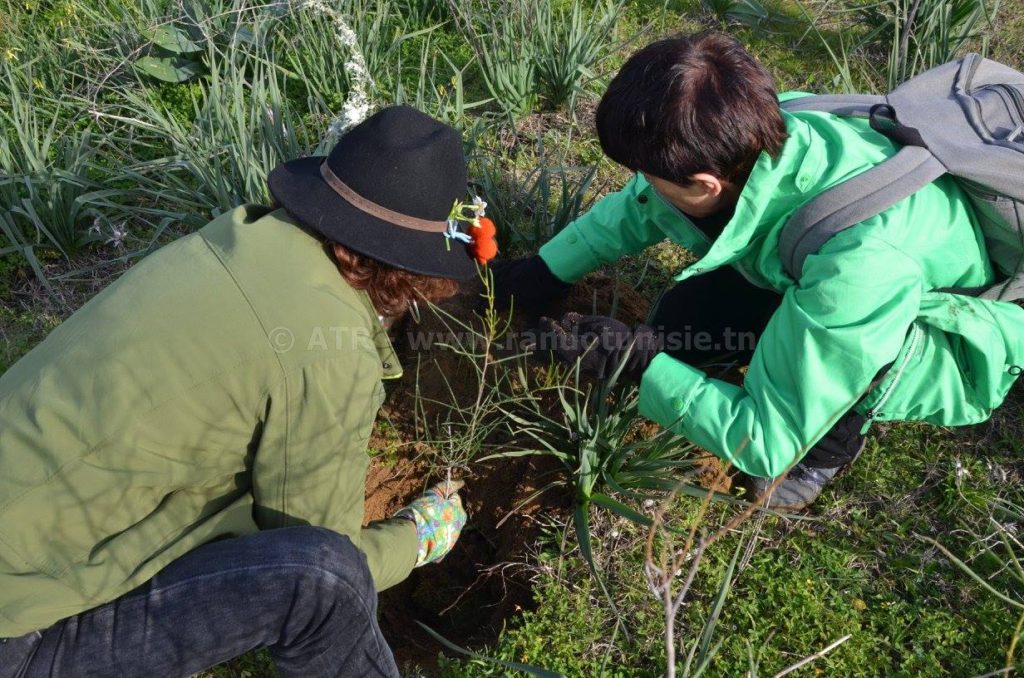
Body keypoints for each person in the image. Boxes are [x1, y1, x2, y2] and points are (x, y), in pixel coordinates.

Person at [0, 106, 484, 677]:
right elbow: (316, 556)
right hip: (19, 626)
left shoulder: (233, 239)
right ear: (408, 272)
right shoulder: (326, 351)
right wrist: (415, 539)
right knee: (326, 587)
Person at [494, 31, 1024, 509]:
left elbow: (767, 438)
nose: (643, 184)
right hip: (817, 258)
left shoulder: (861, 269)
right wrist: (545, 271)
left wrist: (638, 363)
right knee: (682, 329)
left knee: (819, 400)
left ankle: (830, 448)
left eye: (649, 175)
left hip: (928, 323)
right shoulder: (756, 131)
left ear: (705, 185)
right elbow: (640, 207)